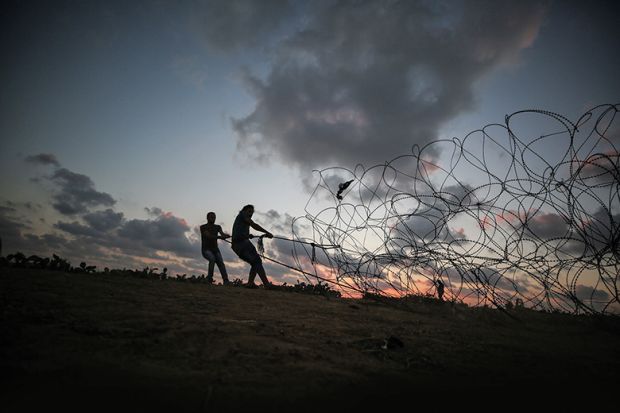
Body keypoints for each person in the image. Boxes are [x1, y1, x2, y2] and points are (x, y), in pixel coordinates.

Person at [231, 204, 273, 288]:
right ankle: (266, 284)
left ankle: (250, 283)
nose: (251, 214)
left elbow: (242, 230)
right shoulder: (242, 215)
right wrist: (267, 232)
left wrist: (247, 235)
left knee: (256, 262)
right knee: (256, 261)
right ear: (244, 210)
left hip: (244, 242)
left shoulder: (243, 219)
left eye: (252, 212)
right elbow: (254, 225)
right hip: (240, 244)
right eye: (249, 211)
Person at [200, 212, 230, 285]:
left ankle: (226, 281)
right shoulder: (203, 227)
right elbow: (208, 236)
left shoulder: (218, 227)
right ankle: (209, 279)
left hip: (215, 250)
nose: (213, 218)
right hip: (206, 249)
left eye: (214, 217)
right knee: (212, 259)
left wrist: (226, 236)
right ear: (207, 218)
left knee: (221, 263)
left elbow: (222, 234)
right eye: (211, 217)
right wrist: (220, 237)